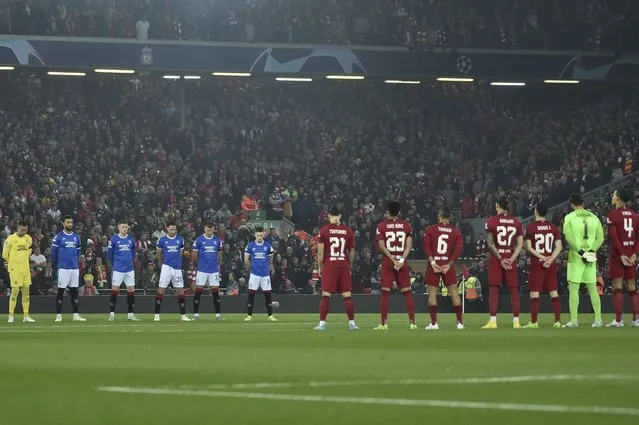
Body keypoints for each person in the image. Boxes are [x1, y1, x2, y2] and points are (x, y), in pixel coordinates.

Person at [373, 201, 417, 330]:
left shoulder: (381, 226)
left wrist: (392, 260)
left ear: (388, 211)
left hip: (388, 261)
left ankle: (383, 324)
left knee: (385, 292)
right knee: (407, 292)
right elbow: (409, 245)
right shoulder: (406, 225)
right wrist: (401, 260)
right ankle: (412, 323)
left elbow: (381, 245)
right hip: (402, 261)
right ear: (398, 212)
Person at [562, 193, 604, 328]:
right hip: (590, 257)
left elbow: (568, 238)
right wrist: (591, 251)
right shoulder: (594, 217)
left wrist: (581, 252)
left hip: (576, 257)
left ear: (572, 205)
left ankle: (574, 321)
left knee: (573, 289)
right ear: (583, 203)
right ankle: (598, 319)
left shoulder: (569, 217)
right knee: (593, 288)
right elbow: (600, 238)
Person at [482, 196, 524, 329]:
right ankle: (516, 321)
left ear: (497, 206)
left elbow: (490, 243)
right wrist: (511, 259)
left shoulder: (491, 222)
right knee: (513, 290)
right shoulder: (516, 222)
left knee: (494, 289)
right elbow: (520, 244)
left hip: (497, 258)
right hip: (510, 256)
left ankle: (493, 321)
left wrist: (501, 258)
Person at [314, 207, 358, 331]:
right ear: (340, 216)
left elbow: (320, 253)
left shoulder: (324, 231)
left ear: (329, 216)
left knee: (326, 295)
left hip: (330, 265)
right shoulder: (348, 231)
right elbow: (352, 252)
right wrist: (349, 264)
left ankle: (322, 323)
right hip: (343, 264)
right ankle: (352, 323)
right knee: (347, 295)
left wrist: (319, 267)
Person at [423, 206, 464, 330]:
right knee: (454, 294)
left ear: (439, 216)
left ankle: (434, 324)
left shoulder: (431, 229)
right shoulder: (456, 232)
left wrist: (433, 263)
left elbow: (426, 247)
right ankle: (459, 323)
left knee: (432, 295)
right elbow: (458, 249)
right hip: (447, 265)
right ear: (450, 217)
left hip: (434, 265)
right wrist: (449, 264)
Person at [523, 203, 562, 328]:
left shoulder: (530, 228)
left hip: (537, 264)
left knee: (535, 293)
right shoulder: (553, 228)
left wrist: (541, 257)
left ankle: (534, 322)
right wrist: (550, 258)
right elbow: (559, 247)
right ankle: (557, 321)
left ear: (536, 211)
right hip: (549, 264)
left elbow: (528, 247)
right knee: (553, 292)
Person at [606, 190, 639, 327]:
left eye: (614, 195)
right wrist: (634, 254)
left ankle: (619, 320)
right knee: (632, 287)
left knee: (617, 286)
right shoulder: (635, 215)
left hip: (619, 256)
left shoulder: (613, 215)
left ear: (618, 199)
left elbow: (614, 237)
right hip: (631, 255)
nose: (612, 197)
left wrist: (621, 255)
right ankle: (636, 319)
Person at [50, 216, 87, 322]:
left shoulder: (76, 237)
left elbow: (78, 252)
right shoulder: (58, 237)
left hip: (74, 268)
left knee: (74, 291)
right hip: (63, 268)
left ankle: (76, 315)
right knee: (61, 291)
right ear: (63, 223)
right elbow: (53, 252)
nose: (70, 224)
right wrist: (58, 264)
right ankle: (58, 315)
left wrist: (75, 263)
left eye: (71, 222)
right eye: (68, 222)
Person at [154, 222, 190, 322]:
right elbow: (158, 254)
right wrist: (161, 264)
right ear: (167, 229)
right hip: (166, 267)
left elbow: (181, 253)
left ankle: (183, 315)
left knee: (180, 291)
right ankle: (157, 315)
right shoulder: (162, 240)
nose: (173, 231)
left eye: (175, 229)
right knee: (161, 289)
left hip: (177, 268)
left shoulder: (180, 239)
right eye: (171, 229)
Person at [2, 221, 35, 323]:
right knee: (15, 291)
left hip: (25, 269)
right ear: (18, 227)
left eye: (26, 229)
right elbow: (4, 255)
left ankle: (26, 315)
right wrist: (10, 264)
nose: (24, 231)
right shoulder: (10, 239)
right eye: (22, 229)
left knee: (26, 292)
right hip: (15, 269)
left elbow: (29, 250)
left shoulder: (28, 238)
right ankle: (11, 315)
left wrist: (24, 259)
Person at [107, 220, 140, 321]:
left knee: (131, 291)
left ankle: (130, 314)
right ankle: (112, 314)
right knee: (114, 291)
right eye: (122, 227)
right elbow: (110, 255)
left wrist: (131, 260)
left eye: (126, 227)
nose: (124, 229)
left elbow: (133, 252)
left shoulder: (131, 239)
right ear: (118, 228)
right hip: (118, 269)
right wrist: (116, 264)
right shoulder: (114, 239)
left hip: (129, 269)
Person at [243, 226, 277, 322]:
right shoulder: (250, 246)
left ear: (263, 235)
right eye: (258, 235)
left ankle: (270, 315)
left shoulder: (268, 246)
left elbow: (271, 259)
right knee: (251, 294)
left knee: (267, 294)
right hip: (254, 274)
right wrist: (252, 267)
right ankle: (249, 315)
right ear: (255, 235)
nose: (259, 237)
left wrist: (267, 266)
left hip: (265, 274)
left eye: (261, 235)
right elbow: (246, 260)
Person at [192, 222, 224, 321]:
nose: (209, 232)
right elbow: (195, 255)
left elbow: (219, 254)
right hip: (202, 269)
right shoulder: (199, 240)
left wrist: (219, 266)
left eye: (211, 230)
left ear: (213, 229)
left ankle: (218, 315)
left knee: (215, 292)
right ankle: (196, 314)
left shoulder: (217, 240)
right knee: (198, 292)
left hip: (213, 270)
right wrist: (198, 264)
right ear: (204, 229)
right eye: (208, 230)